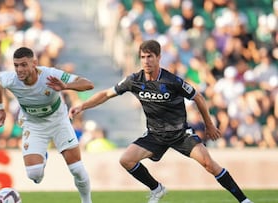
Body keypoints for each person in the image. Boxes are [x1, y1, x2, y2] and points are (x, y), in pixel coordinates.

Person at [69, 40, 253, 203]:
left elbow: (198, 97)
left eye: (150, 56)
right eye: (143, 57)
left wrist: (209, 124)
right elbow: (106, 94)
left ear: (158, 58)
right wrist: (82, 106)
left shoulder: (171, 81)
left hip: (180, 134)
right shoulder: (134, 80)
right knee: (126, 160)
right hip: (155, 135)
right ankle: (157, 188)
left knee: (209, 165)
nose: (146, 61)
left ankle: (244, 200)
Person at [0, 47, 94, 203]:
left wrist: (65, 86)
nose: (19, 69)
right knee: (34, 175)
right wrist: (0, 109)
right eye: (16, 65)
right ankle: (42, 156)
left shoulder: (50, 75)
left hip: (58, 121)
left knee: (77, 170)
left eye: (24, 65)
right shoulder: (11, 79)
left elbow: (88, 84)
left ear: (34, 63)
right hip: (33, 124)